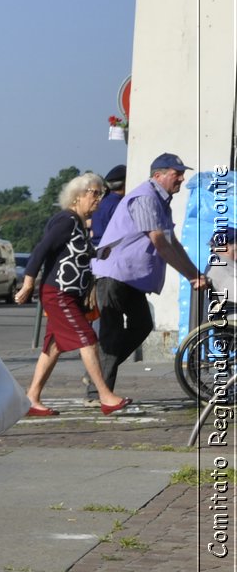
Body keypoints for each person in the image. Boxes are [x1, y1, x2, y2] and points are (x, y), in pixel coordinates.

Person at [89, 152, 210, 398]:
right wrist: (190, 276)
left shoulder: (160, 200)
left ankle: (96, 374)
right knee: (111, 333)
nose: (181, 179)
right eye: (177, 174)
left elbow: (171, 241)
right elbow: (159, 242)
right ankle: (97, 393)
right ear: (159, 175)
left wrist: (194, 273)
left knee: (142, 324)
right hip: (115, 274)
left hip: (130, 278)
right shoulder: (145, 197)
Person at [14, 172, 130, 415]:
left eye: (102, 193)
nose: (99, 199)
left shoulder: (76, 223)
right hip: (59, 292)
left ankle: (31, 397)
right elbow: (41, 250)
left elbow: (74, 253)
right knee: (87, 339)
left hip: (67, 293)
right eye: (95, 193)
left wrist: (99, 253)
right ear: (77, 196)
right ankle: (105, 396)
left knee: (54, 347)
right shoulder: (66, 220)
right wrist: (27, 283)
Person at [90, 163, 128, 243]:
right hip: (109, 248)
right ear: (125, 185)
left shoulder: (101, 202)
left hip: (96, 246)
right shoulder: (120, 205)